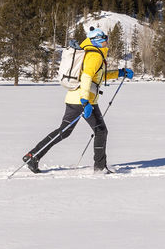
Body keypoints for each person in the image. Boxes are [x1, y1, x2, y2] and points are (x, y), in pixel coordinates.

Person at [23, 26, 133, 174]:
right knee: (101, 131)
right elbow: (87, 77)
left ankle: (33, 155)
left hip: (74, 98)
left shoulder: (90, 53)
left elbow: (97, 76)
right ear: (98, 41)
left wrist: (119, 72)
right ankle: (100, 168)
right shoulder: (95, 56)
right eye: (105, 39)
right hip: (84, 99)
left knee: (64, 131)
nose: (107, 42)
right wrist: (85, 101)